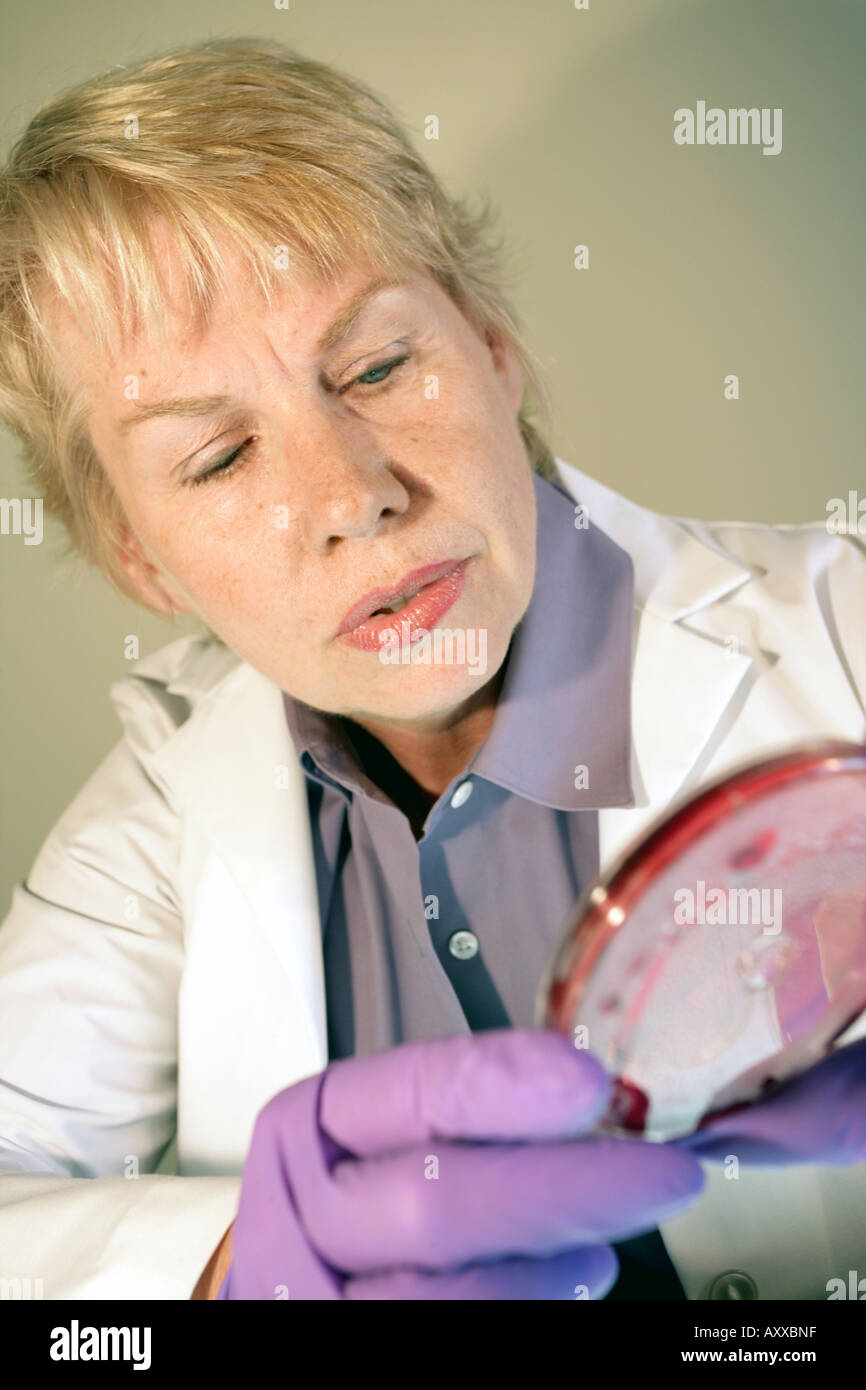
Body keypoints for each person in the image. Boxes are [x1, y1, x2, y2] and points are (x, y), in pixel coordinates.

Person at [0, 36, 864, 1303]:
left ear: (495, 348)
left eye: (375, 367)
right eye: (218, 458)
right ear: (140, 558)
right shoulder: (155, 819)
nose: (354, 496)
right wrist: (228, 1273)